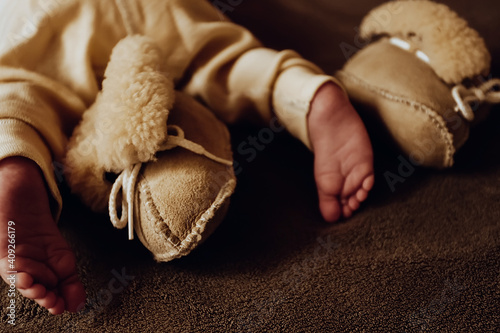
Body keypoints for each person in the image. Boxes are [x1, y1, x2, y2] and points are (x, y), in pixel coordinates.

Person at [0, 0, 374, 315]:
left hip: (35, 16)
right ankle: (302, 94)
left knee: (18, 91)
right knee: (223, 61)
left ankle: (13, 161)